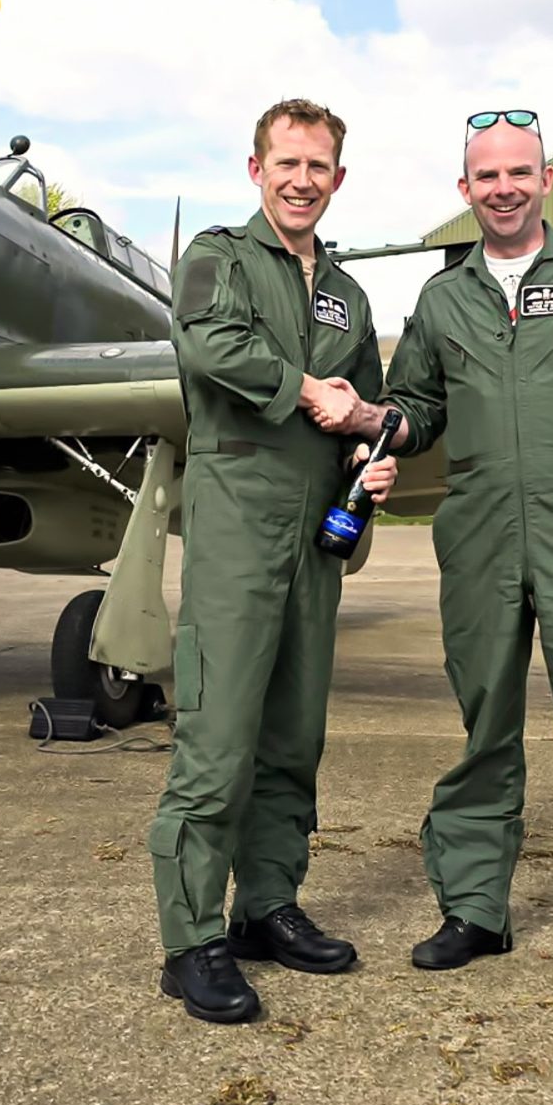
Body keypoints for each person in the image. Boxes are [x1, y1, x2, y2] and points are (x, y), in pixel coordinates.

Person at [329, 108, 553, 1004]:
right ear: (466, 190)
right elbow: (419, 405)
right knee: (484, 726)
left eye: (519, 172)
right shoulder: (443, 299)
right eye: (487, 176)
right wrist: (376, 422)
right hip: (480, 526)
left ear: (546, 180)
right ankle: (474, 910)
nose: (504, 189)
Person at [148, 98, 385, 1024]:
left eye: (318, 166)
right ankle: (190, 942)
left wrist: (371, 447)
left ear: (337, 178)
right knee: (217, 740)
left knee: (292, 736)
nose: (301, 180)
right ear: (257, 170)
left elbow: (366, 407)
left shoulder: (349, 296)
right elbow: (211, 345)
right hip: (239, 532)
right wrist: (306, 389)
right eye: (286, 163)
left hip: (315, 542)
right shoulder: (219, 259)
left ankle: (266, 906)